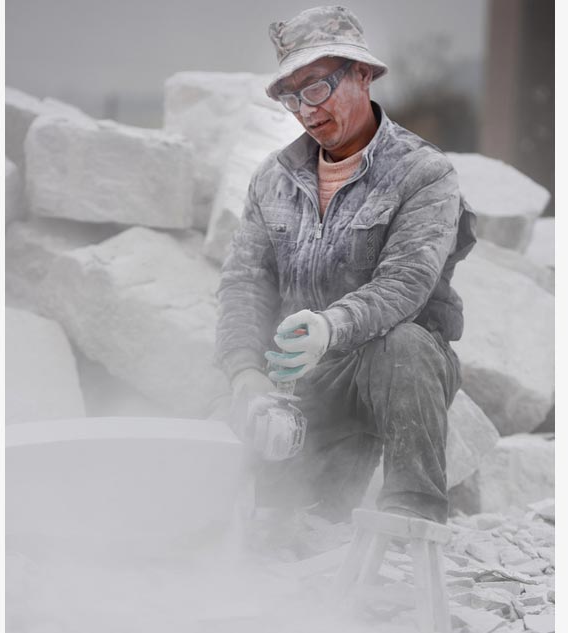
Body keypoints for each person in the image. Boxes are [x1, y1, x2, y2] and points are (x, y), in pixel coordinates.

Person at [214, 6, 476, 525]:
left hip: (389, 374)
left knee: (403, 346)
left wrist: (331, 327)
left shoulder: (424, 173)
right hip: (305, 384)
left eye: (315, 87)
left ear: (362, 74)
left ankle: (412, 520)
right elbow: (245, 282)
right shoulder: (273, 179)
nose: (305, 110)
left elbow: (407, 283)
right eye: (291, 97)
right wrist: (246, 375)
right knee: (269, 519)